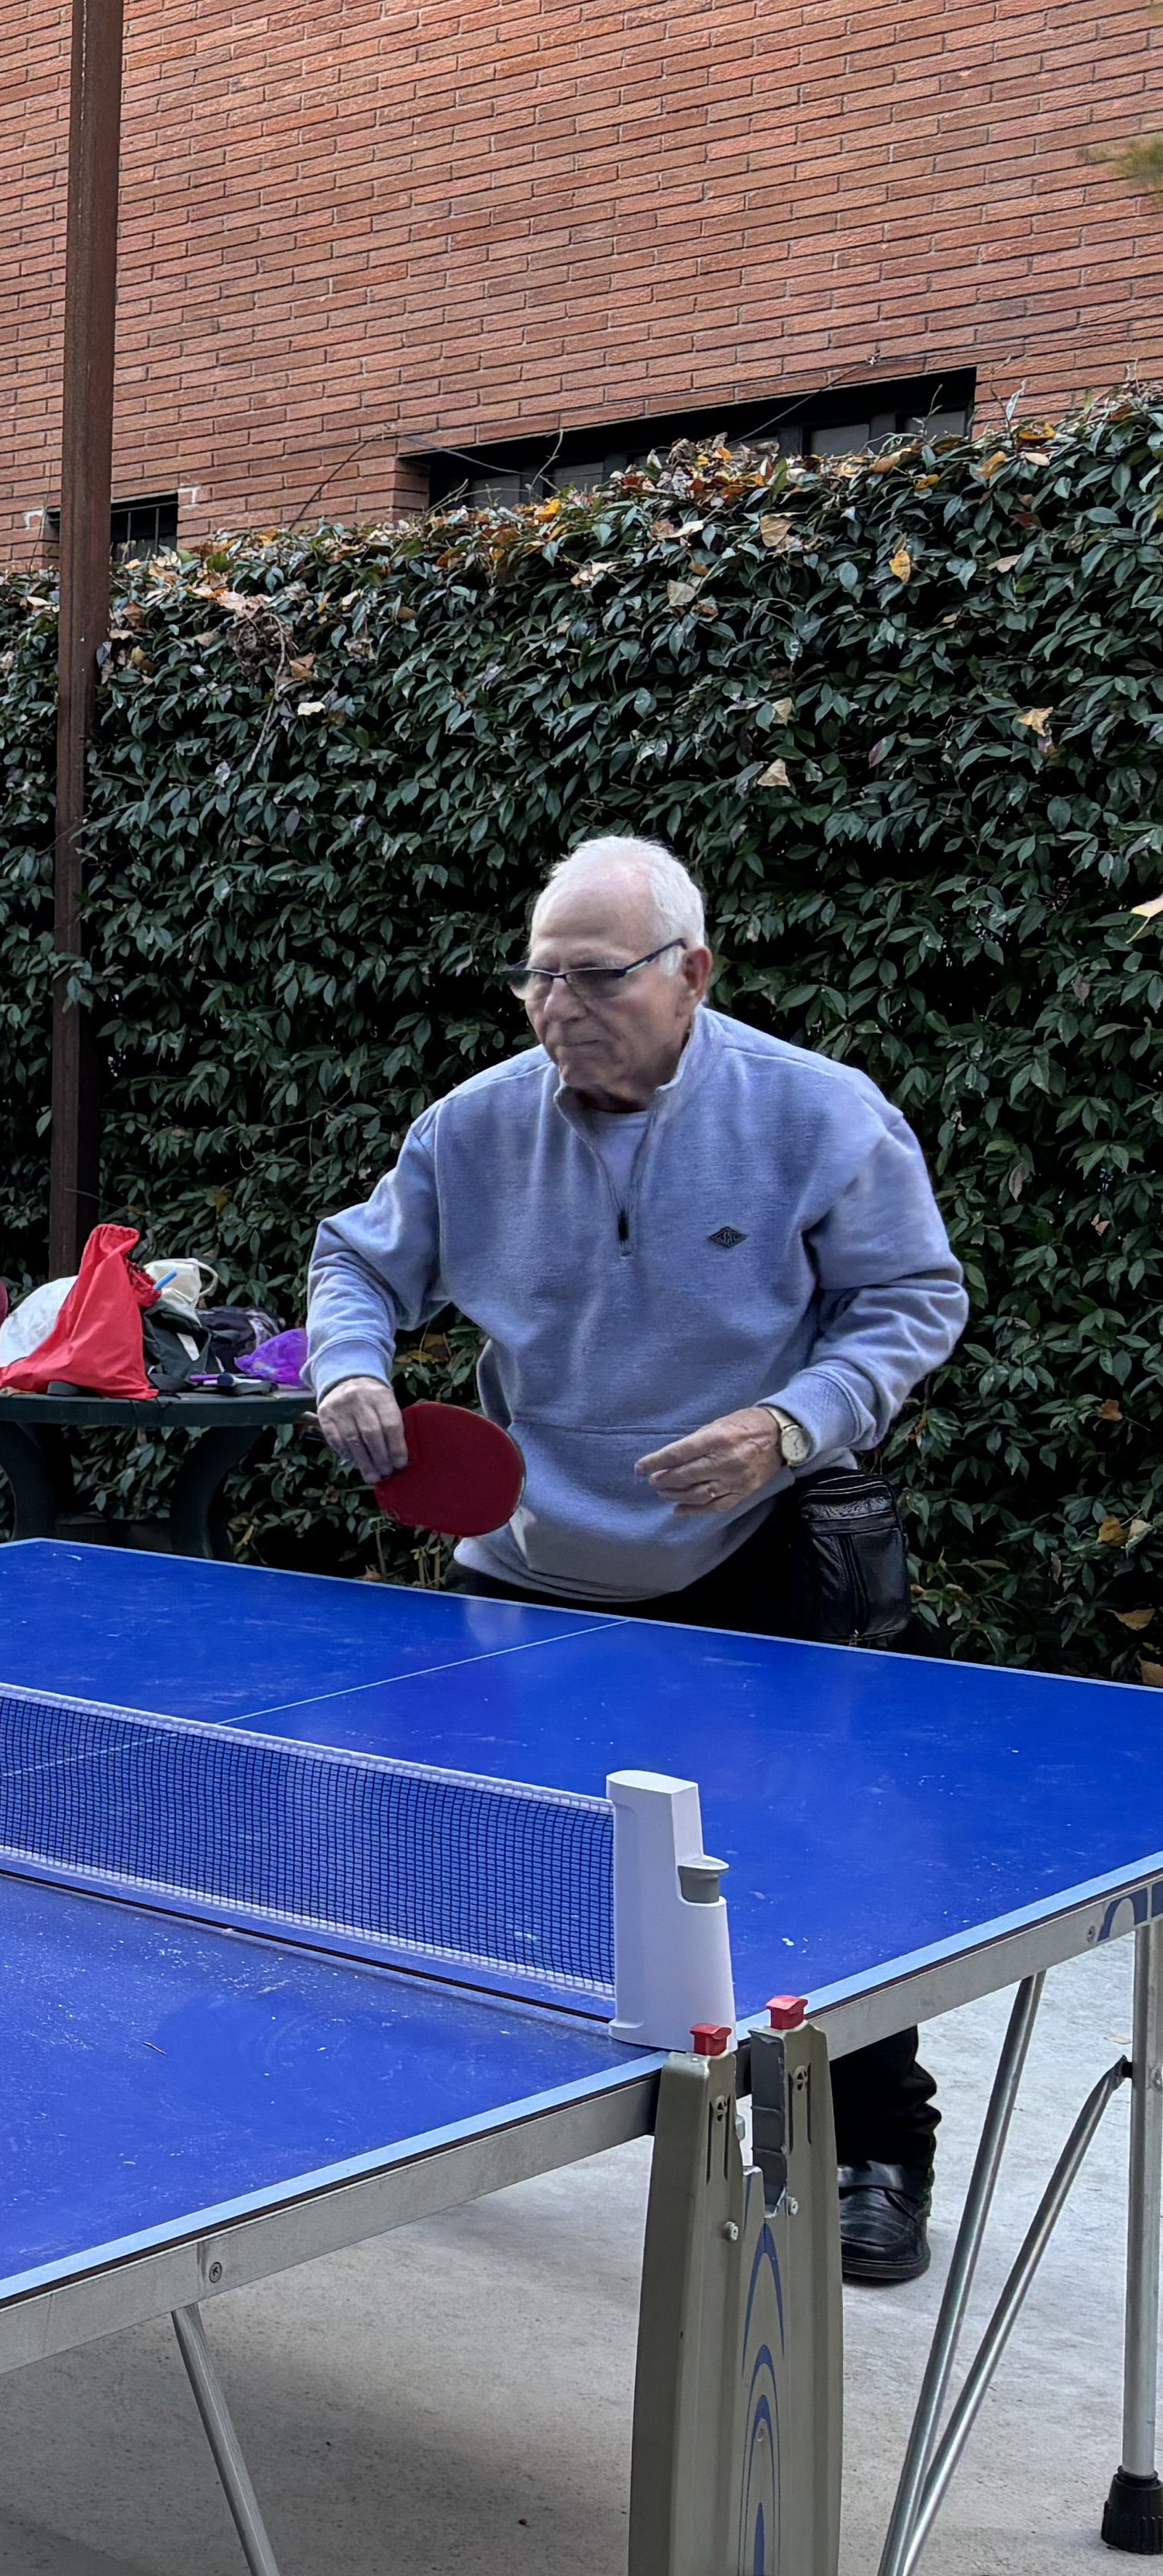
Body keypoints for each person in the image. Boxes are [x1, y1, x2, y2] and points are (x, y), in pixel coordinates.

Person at [308, 832, 969, 2284]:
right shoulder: (471, 1125)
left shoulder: (818, 1113)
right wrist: (350, 1362)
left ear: (692, 973)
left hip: (753, 1551)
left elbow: (914, 1297)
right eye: (536, 975)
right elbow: (355, 1259)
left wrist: (791, 1422)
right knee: (478, 1841)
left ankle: (871, 2147)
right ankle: (470, 2105)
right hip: (526, 1554)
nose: (558, 1003)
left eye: (593, 975)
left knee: (802, 1864)